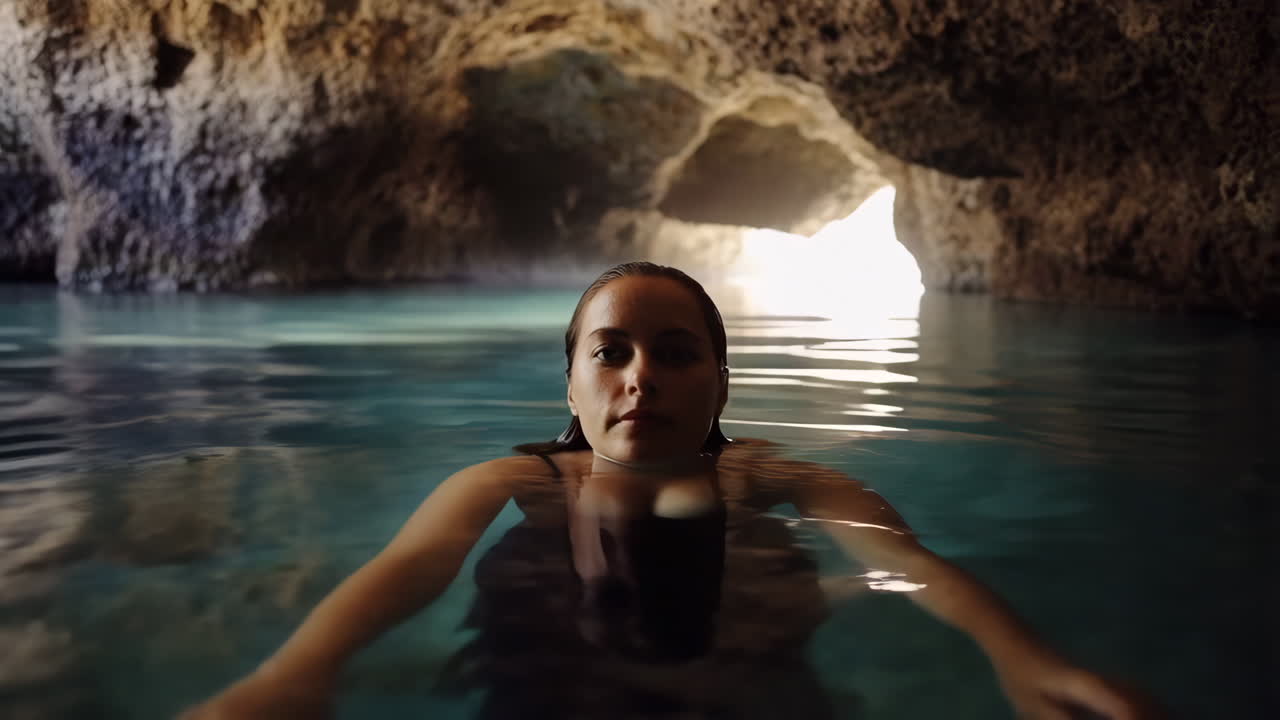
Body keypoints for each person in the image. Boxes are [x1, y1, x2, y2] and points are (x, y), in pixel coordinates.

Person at [179, 262, 1159, 719]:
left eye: (675, 353)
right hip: (547, 687)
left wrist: (1017, 656)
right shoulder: (514, 479)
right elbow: (413, 565)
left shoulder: (766, 473)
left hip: (748, 686)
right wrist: (294, 673)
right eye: (610, 354)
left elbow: (899, 560)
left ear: (720, 383)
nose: (639, 376)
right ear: (568, 384)